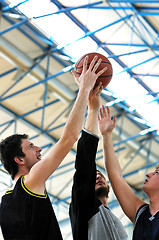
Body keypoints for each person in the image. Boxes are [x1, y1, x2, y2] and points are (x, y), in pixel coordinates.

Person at [0, 55, 107, 240]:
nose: (39, 148)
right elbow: (69, 138)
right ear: (19, 160)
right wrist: (84, 88)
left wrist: (92, 110)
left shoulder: (5, 202)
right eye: (31, 146)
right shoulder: (29, 183)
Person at [69, 85, 128, 240]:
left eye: (101, 175)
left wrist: (107, 134)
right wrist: (93, 111)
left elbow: (116, 175)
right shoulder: (83, 206)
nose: (98, 177)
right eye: (94, 176)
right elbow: (85, 164)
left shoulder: (114, 219)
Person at [98, 105, 159, 240]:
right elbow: (116, 177)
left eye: (157, 173)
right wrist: (106, 136)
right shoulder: (141, 212)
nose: (149, 174)